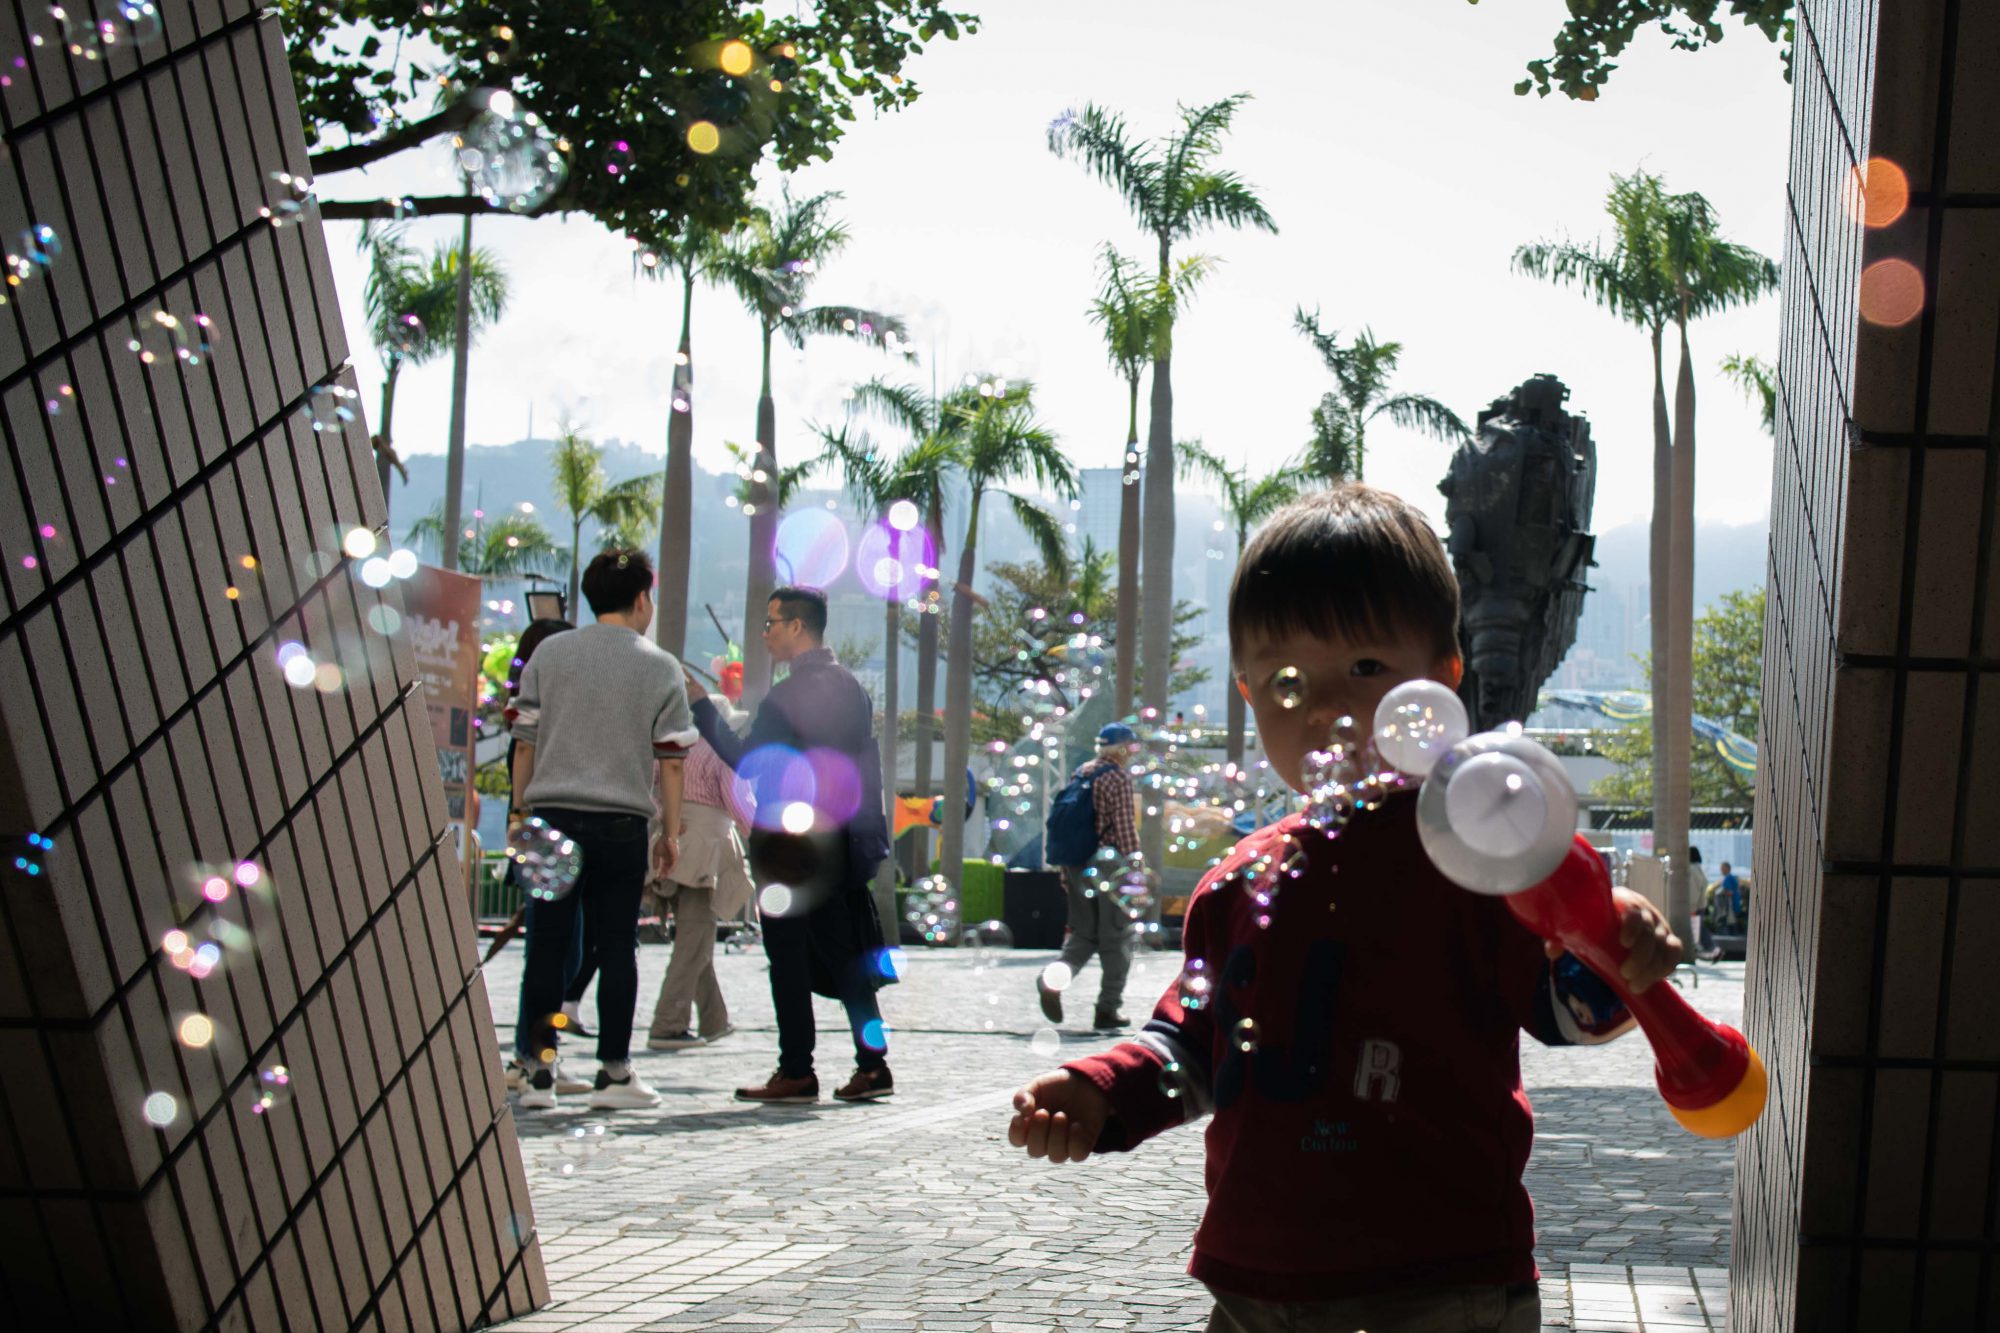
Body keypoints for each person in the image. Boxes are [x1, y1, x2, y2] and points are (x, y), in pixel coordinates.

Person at [1005, 485, 1681, 1331]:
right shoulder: (1235, 883)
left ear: (1444, 678)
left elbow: (1560, 1008)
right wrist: (1100, 1089)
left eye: (1366, 668)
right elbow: (1196, 1040)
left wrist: (1611, 942)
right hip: (1260, 1284)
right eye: (1288, 682)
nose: (1327, 707)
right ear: (1248, 697)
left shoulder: (1478, 857)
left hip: (1445, 1282)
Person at [686, 585, 896, 1105]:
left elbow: (745, 761)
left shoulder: (788, 695)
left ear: (797, 627)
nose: (765, 634)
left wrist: (701, 710)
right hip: (840, 840)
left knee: (788, 958)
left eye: (771, 623)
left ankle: (797, 1070)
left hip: (790, 845)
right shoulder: (851, 686)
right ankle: (873, 1066)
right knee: (847, 957)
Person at [511, 549, 692, 1110]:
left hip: (551, 818)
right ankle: (614, 1073)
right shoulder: (660, 665)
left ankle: (538, 1072)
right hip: (622, 823)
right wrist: (671, 833)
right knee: (618, 946)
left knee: (546, 944)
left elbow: (525, 741)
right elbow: (672, 761)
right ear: (643, 599)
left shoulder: (550, 653)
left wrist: (520, 815)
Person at [645, 705, 754, 1050]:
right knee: (694, 939)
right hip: (707, 844)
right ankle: (668, 1025)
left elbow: (651, 792)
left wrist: (668, 822)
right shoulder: (718, 752)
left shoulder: (672, 746)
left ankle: (714, 1020)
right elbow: (739, 806)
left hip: (669, 839)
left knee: (694, 938)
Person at [1037, 722, 1144, 1031]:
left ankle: (1051, 982)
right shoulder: (1117, 777)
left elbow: (1068, 825)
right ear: (1122, 748)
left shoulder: (1082, 772)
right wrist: (1135, 871)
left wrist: (1064, 870)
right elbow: (1124, 829)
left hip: (1076, 865)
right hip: (1109, 864)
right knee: (1118, 936)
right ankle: (1108, 1008)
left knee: (1084, 934)